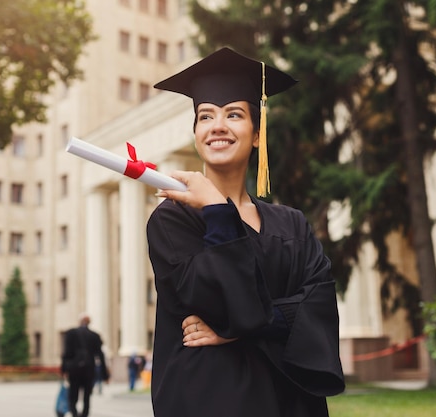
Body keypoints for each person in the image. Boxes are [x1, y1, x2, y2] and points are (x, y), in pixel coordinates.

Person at [147, 47, 345, 417]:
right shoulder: (173, 221)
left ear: (257, 134)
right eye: (205, 116)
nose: (218, 125)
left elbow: (319, 308)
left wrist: (248, 325)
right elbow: (224, 305)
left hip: (291, 401)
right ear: (196, 134)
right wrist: (218, 213)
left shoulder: (292, 225)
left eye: (234, 114)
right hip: (212, 400)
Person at [61, 313, 109, 417]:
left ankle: (74, 413)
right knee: (87, 395)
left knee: (73, 393)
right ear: (89, 322)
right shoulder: (95, 336)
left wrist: (64, 370)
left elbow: (66, 354)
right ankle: (84, 414)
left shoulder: (71, 333)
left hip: (74, 370)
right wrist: (105, 375)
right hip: (88, 370)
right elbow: (100, 356)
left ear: (79, 321)